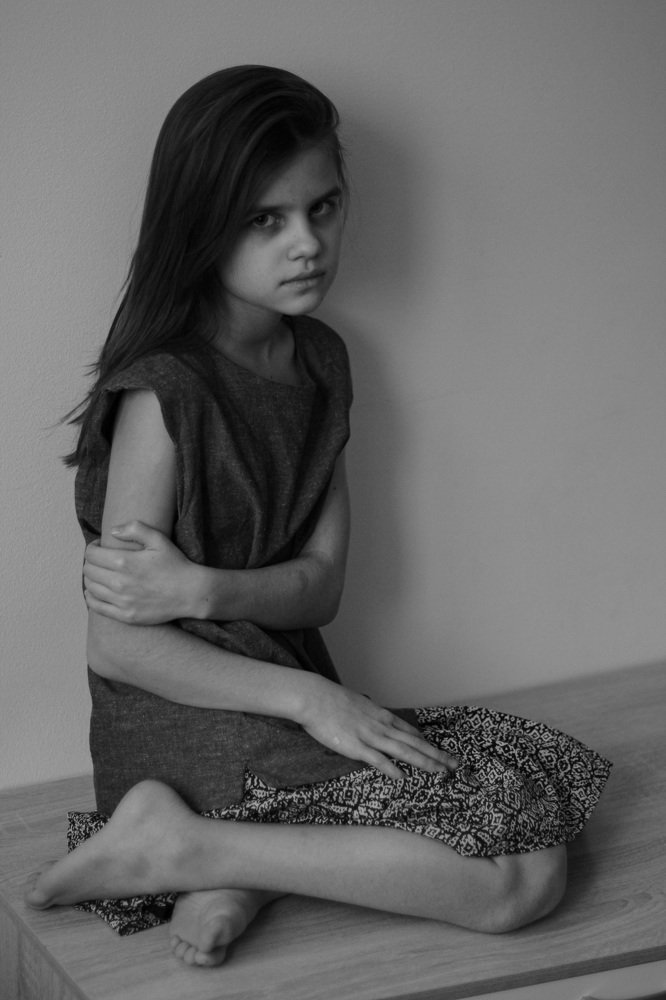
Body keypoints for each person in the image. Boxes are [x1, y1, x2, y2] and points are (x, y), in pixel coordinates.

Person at [27, 65, 611, 967]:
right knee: (519, 879)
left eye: (323, 208)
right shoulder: (164, 393)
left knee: (538, 792)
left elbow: (320, 588)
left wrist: (205, 588)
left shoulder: (323, 361)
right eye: (265, 220)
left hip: (281, 699)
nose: (307, 243)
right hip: (190, 717)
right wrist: (316, 700)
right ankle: (181, 839)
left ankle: (226, 858)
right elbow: (119, 646)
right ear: (200, 224)